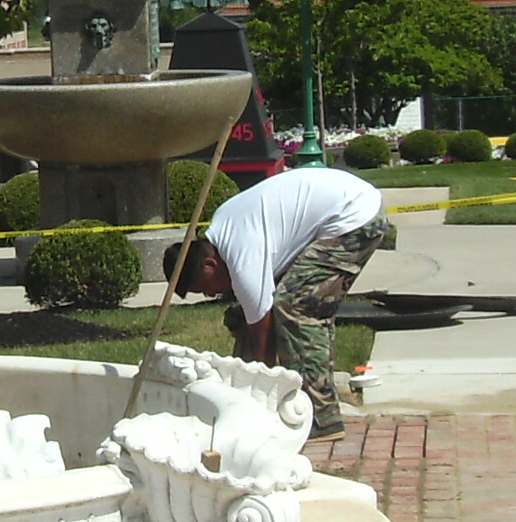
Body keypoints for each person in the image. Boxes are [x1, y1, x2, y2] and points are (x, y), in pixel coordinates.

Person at [162, 165, 388, 439]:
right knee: (249, 316)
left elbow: (264, 341)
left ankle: (320, 418)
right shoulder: (224, 231)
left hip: (353, 217)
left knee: (294, 307)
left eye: (204, 288)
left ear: (210, 263)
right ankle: (247, 399)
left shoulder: (241, 257)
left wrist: (263, 396)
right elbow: (254, 321)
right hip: (343, 209)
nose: (210, 295)